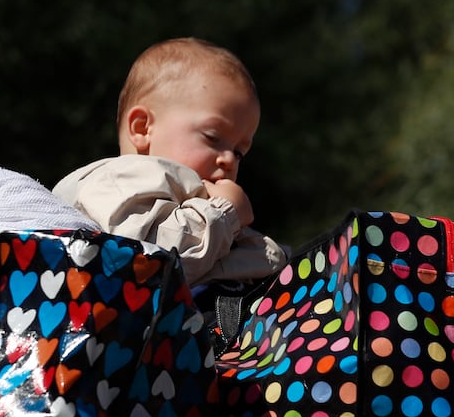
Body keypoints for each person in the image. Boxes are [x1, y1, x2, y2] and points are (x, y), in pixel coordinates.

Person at [53, 37, 286, 295]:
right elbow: (146, 264)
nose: (229, 160)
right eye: (212, 136)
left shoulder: (198, 208)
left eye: (239, 152)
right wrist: (226, 213)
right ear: (142, 128)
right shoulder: (114, 181)